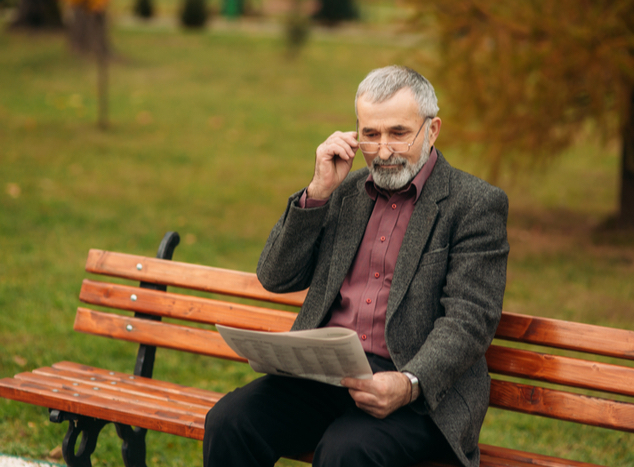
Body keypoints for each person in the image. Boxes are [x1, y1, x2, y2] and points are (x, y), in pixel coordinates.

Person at [203, 65, 509, 467]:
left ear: (432, 130)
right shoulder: (345, 190)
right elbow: (275, 276)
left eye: (398, 133)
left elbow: (470, 320)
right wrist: (317, 193)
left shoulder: (473, 204)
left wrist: (407, 383)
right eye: (371, 134)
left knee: (347, 452)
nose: (383, 151)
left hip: (418, 391)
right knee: (229, 422)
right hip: (324, 374)